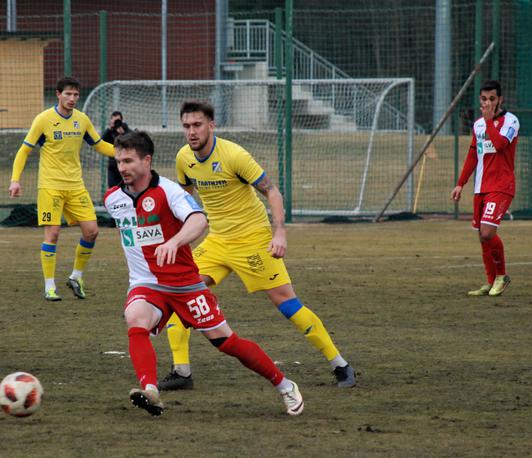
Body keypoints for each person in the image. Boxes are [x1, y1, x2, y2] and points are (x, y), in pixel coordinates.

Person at [103, 130, 304, 417]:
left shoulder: (169, 191)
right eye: (119, 161)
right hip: (147, 284)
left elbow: (199, 220)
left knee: (226, 342)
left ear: (147, 161)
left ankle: (284, 385)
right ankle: (151, 390)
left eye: (129, 161)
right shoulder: (113, 199)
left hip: (184, 284)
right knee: (135, 319)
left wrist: (174, 241)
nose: (122, 168)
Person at [160, 100, 356, 391]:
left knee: (287, 304)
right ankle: (181, 372)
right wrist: (176, 238)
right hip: (217, 241)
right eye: (187, 126)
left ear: (211, 125)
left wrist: (279, 233)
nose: (191, 131)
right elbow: (185, 201)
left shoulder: (234, 155)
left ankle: (340, 364)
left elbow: (272, 192)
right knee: (180, 293)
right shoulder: (183, 158)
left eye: (197, 125)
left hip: (253, 239)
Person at [9, 76, 115, 301]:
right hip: (50, 186)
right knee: (53, 233)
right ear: (58, 94)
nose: (72, 98)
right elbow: (24, 150)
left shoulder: (82, 120)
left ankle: (76, 277)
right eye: (68, 94)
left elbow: (99, 145)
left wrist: (126, 152)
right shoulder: (43, 119)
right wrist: (15, 180)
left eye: (76, 95)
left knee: (92, 231)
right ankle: (50, 286)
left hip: (76, 185)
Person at [451, 80, 519, 296]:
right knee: (482, 236)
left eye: (492, 99)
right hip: (481, 187)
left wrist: (490, 121)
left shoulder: (511, 121)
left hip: (501, 185)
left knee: (488, 232)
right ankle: (490, 282)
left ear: (500, 99)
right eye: (484, 99)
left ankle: (502, 276)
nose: (487, 102)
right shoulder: (478, 124)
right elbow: (473, 154)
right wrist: (460, 183)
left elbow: (499, 145)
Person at [102, 111, 131, 188]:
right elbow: (101, 142)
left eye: (118, 120)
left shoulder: (126, 129)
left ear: (121, 120)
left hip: (125, 165)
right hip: (113, 165)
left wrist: (123, 134)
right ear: (111, 120)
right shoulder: (110, 131)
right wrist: (109, 129)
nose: (116, 123)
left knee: (126, 187)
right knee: (112, 188)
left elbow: (132, 141)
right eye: (114, 121)